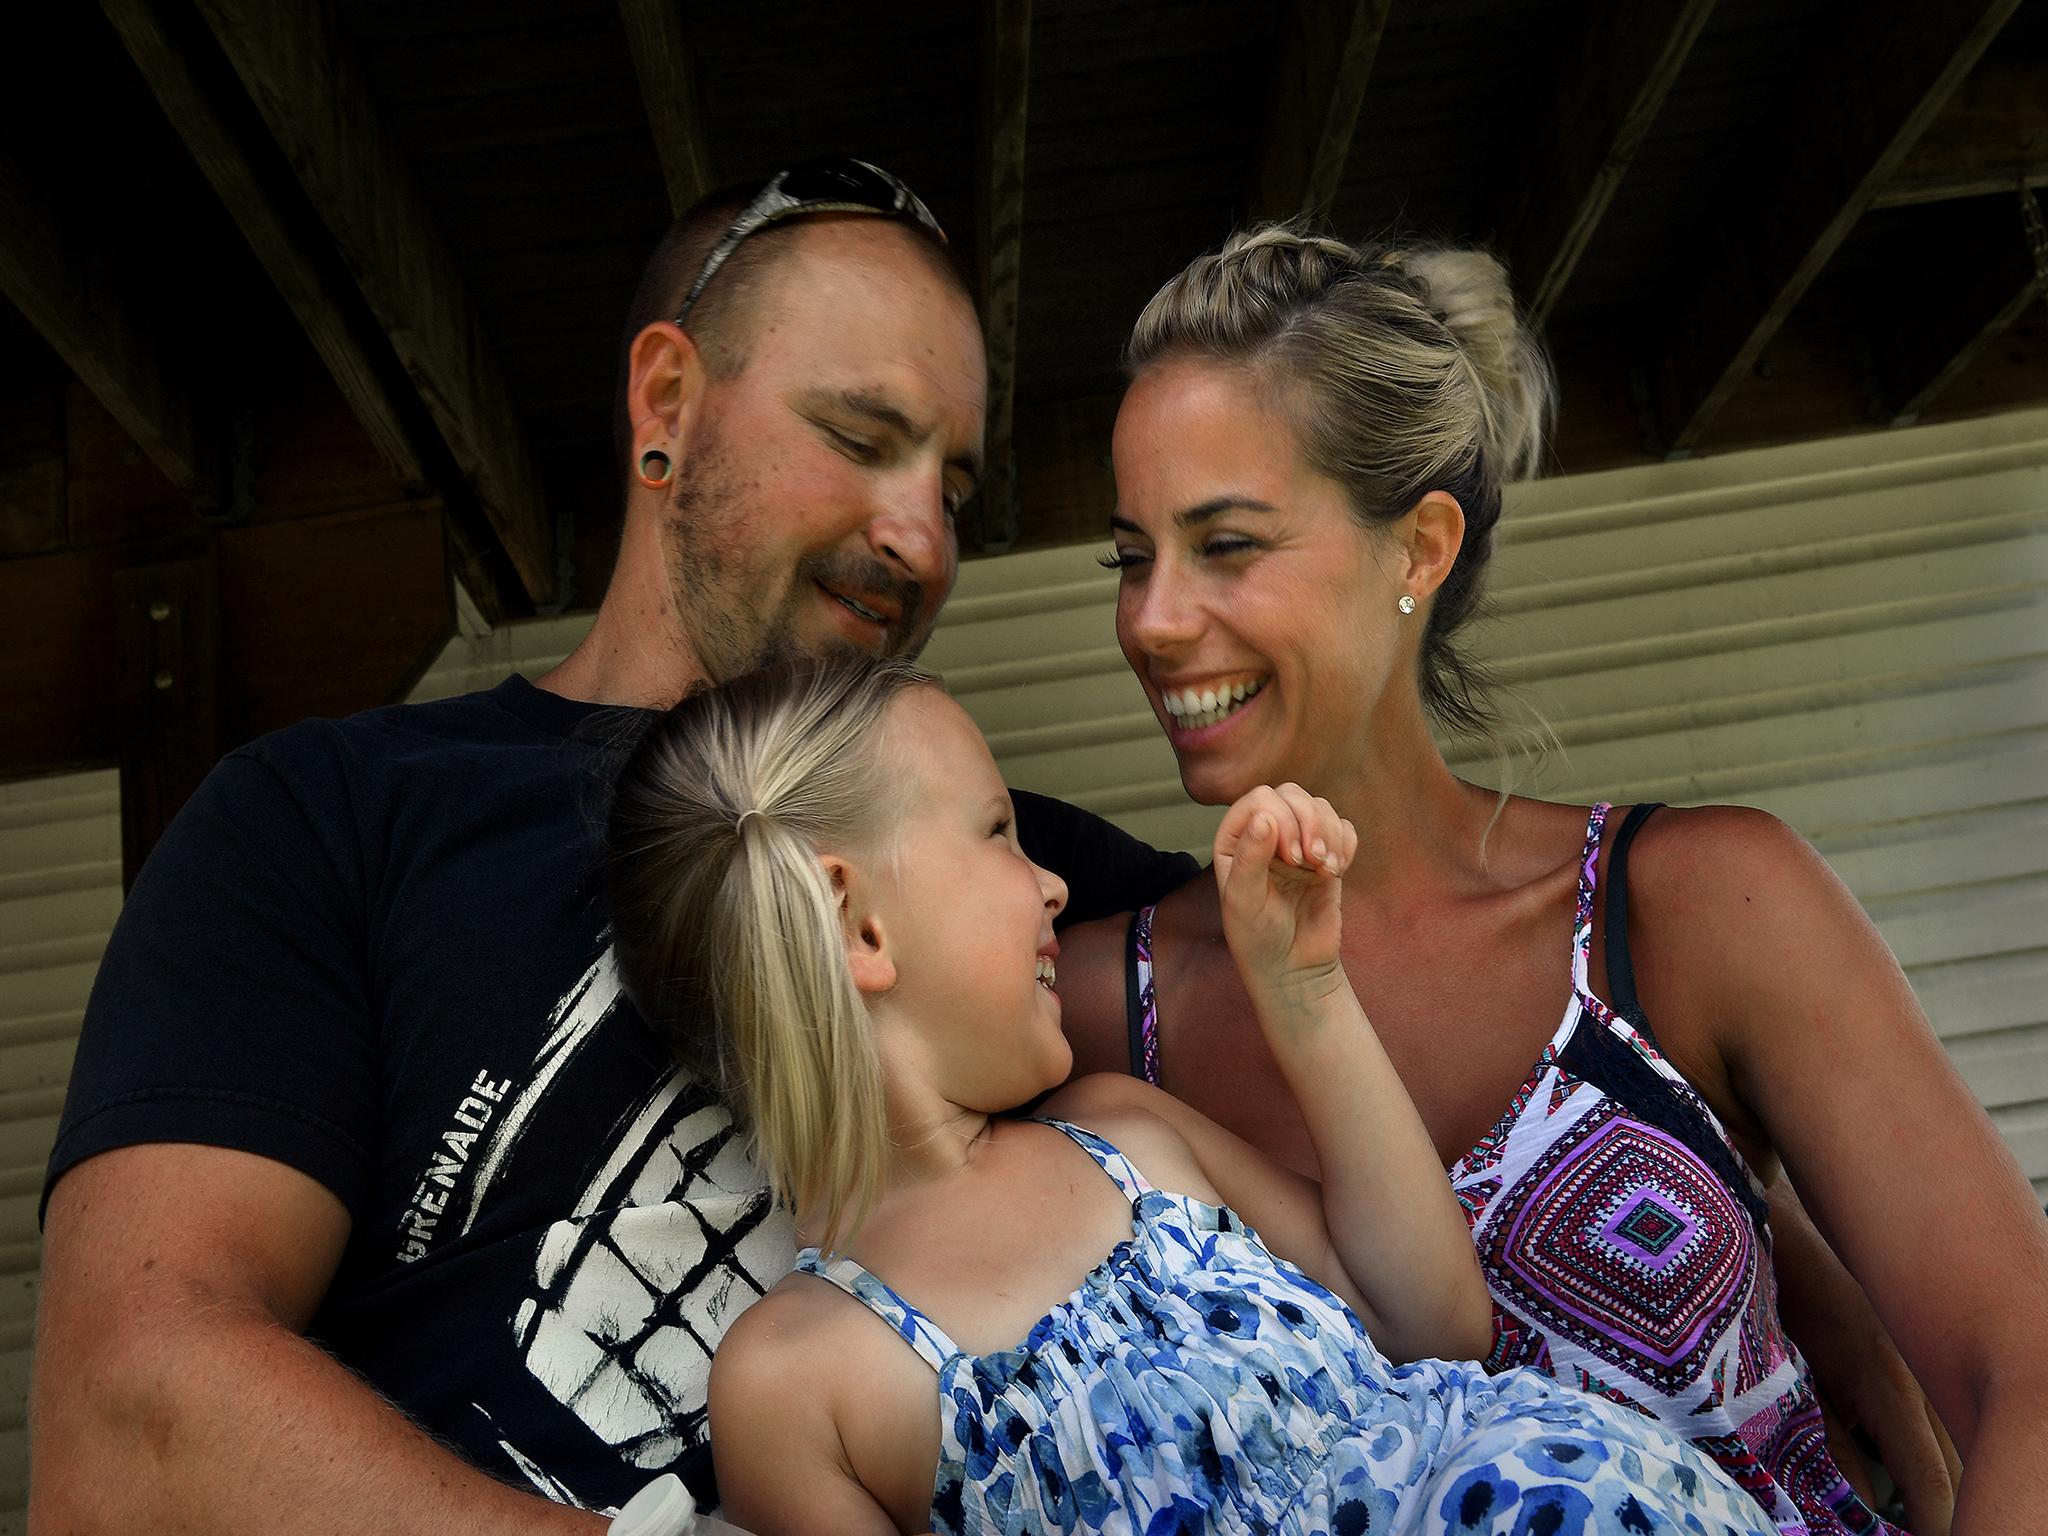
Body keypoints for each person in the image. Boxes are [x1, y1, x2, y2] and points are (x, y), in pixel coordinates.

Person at [29, 160, 1192, 1532]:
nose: (919, 537)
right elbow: (130, 1420)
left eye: (954, 484)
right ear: (667, 404)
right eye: (862, 436)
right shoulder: (329, 816)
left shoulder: (1011, 869)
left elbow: (1372, 990)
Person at [1051, 224, 2048, 1536]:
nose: (1154, 619)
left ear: (1418, 549)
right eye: (1132, 556)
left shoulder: (1694, 908)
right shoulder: (1081, 1010)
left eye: (1225, 544)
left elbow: (2021, 1376)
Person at [602, 654, 1783, 1536]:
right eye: (999, 834)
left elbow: (1435, 1324)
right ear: (860, 924)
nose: (1052, 883)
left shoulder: (1118, 1131)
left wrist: (1305, 991)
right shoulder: (793, 1382)